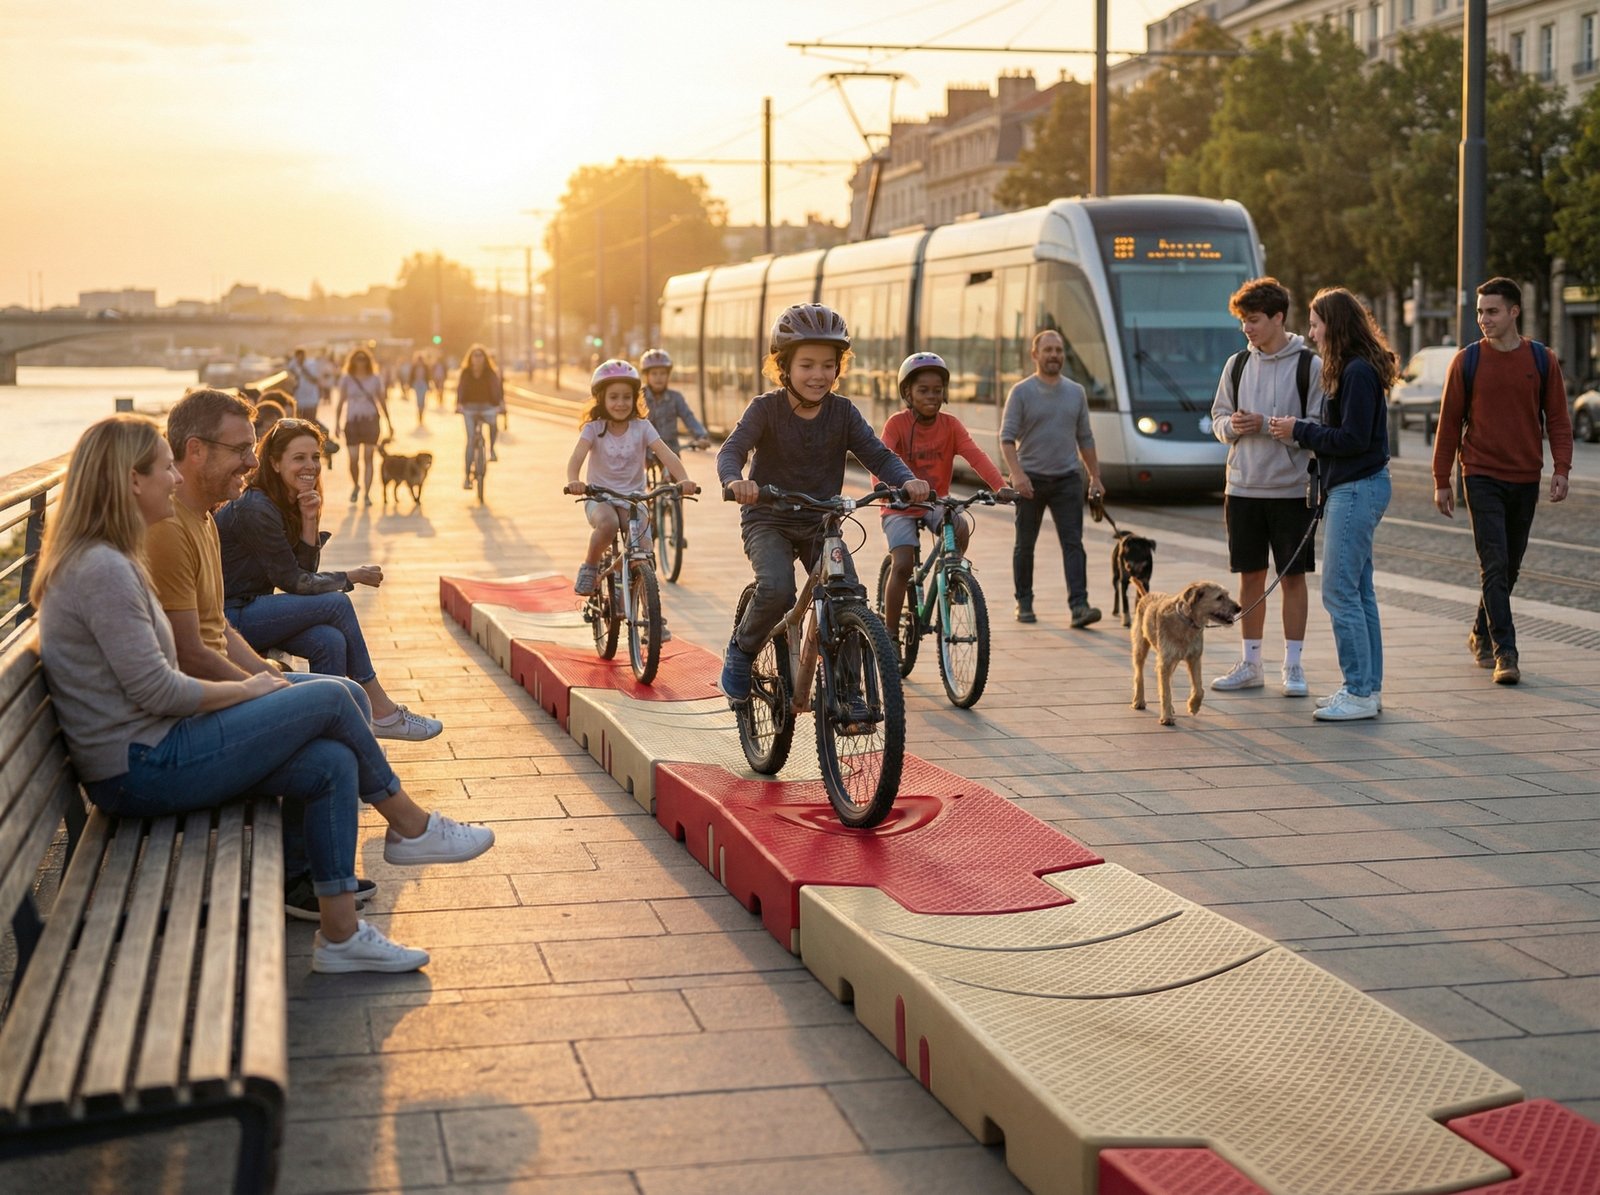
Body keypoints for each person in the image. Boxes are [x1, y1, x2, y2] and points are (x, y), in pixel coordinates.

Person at [33, 414, 495, 974]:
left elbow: (175, 667)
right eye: (164, 469)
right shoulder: (103, 569)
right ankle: (410, 826)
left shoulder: (115, 556)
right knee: (333, 698)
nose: (175, 480)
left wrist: (259, 684)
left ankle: (341, 936)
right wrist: (250, 690)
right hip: (141, 765)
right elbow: (158, 689)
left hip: (153, 747)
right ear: (132, 481)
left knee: (330, 756)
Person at [716, 304, 929, 702]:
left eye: (828, 365)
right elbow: (732, 450)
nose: (818, 375)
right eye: (807, 365)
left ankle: (848, 691)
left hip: (822, 523)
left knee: (847, 592)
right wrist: (735, 480)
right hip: (769, 519)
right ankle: (741, 651)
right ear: (784, 367)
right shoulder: (765, 409)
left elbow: (878, 455)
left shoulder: (843, 412)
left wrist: (907, 480)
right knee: (777, 588)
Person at [215, 417, 444, 740]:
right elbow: (294, 582)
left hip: (252, 609)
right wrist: (351, 576)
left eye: (315, 457)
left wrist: (309, 520)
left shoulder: (285, 501)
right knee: (336, 603)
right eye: (299, 458)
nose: (310, 466)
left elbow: (303, 574)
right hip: (228, 618)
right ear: (275, 463)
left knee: (329, 640)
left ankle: (333, 736)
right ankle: (381, 709)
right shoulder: (255, 507)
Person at [1430, 277, 1573, 686]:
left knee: (1509, 566)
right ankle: (1504, 652)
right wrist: (1442, 479)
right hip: (1480, 474)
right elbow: (1448, 424)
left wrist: (1561, 469)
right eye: (1480, 312)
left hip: (1525, 476)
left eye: (1491, 311)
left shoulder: (1542, 360)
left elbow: (1558, 419)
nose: (1483, 319)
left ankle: (1479, 631)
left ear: (1514, 311)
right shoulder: (1467, 361)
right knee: (1493, 562)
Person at [1268, 287, 1397, 722]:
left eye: (1315, 324)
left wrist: (1299, 430)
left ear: (1334, 325)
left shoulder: (1356, 372)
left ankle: (1358, 691)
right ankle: (1368, 688)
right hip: (1360, 485)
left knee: (1340, 591)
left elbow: (1353, 439)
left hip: (1356, 488)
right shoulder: (1356, 368)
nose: (1311, 333)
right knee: (1359, 591)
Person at [1209, 277, 1326, 698]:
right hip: (1242, 487)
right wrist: (1233, 427)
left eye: (1254, 320)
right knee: (1250, 576)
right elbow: (1217, 418)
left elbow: (1319, 426)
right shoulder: (1237, 364)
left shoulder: (1309, 366)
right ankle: (1251, 664)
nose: (1248, 329)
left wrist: (1268, 426)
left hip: (1292, 490)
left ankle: (1293, 666)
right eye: (1243, 321)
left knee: (1293, 578)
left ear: (1278, 318)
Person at [878, 351, 1014, 640]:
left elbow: (975, 455)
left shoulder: (951, 425)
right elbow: (880, 456)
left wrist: (999, 486)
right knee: (902, 565)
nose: (932, 396)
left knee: (960, 525)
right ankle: (889, 635)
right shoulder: (896, 424)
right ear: (907, 393)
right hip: (899, 504)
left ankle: (953, 576)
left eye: (937, 390)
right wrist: (884, 490)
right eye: (923, 390)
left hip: (935, 502)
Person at [565, 359, 699, 613]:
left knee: (643, 549)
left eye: (627, 397)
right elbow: (576, 459)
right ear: (601, 399)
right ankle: (590, 566)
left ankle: (651, 615)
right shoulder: (594, 429)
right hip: (600, 497)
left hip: (634, 498)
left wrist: (683, 479)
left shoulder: (642, 427)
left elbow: (666, 454)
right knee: (608, 524)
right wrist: (574, 480)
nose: (621, 403)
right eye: (614, 397)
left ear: (635, 398)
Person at [1001, 328, 1105, 629]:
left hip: (1067, 479)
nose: (1054, 355)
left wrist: (1095, 478)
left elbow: (1085, 438)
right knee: (1025, 545)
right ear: (1035, 355)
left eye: (1058, 350)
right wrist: (1017, 475)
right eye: (1048, 350)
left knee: (1074, 544)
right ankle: (1024, 602)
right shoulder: (1021, 392)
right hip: (1030, 481)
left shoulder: (1076, 392)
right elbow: (1006, 438)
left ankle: (1079, 606)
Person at [333, 347, 392, 506]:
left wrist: (389, 423)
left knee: (368, 457)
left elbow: (382, 401)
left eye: (364, 359)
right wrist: (337, 423)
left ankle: (367, 493)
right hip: (352, 421)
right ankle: (356, 485)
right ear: (352, 361)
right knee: (353, 459)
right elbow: (341, 402)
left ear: (368, 361)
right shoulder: (347, 379)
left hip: (370, 420)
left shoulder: (375, 378)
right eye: (358, 359)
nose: (361, 362)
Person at [639, 348, 710, 456]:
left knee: (676, 467)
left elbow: (688, 417)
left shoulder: (676, 398)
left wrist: (701, 436)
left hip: (671, 451)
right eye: (654, 374)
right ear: (646, 376)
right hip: (645, 452)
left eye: (663, 373)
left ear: (668, 375)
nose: (659, 377)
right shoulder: (638, 397)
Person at [457, 344, 504, 486]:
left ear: (485, 358)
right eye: (475, 355)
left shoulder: (490, 373)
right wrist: (459, 404)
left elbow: (497, 389)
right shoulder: (466, 373)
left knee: (494, 425)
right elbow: (460, 389)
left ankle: (492, 449)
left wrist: (500, 404)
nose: (477, 358)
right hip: (469, 408)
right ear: (470, 358)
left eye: (480, 355)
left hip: (487, 406)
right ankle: (467, 477)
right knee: (471, 440)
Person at [286, 347, 322, 426]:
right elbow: (290, 383)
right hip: (299, 401)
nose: (300, 358)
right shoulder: (292, 366)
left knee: (311, 424)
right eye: (298, 356)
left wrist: (303, 369)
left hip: (311, 400)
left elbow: (315, 380)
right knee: (300, 425)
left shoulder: (312, 364)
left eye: (302, 356)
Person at [408, 352, 431, 426]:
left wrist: (429, 385)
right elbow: (411, 376)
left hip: (423, 384)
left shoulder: (425, 367)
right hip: (417, 384)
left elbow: (428, 377)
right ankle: (419, 413)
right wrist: (410, 385)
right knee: (419, 400)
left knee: (423, 400)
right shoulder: (414, 367)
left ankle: (421, 413)